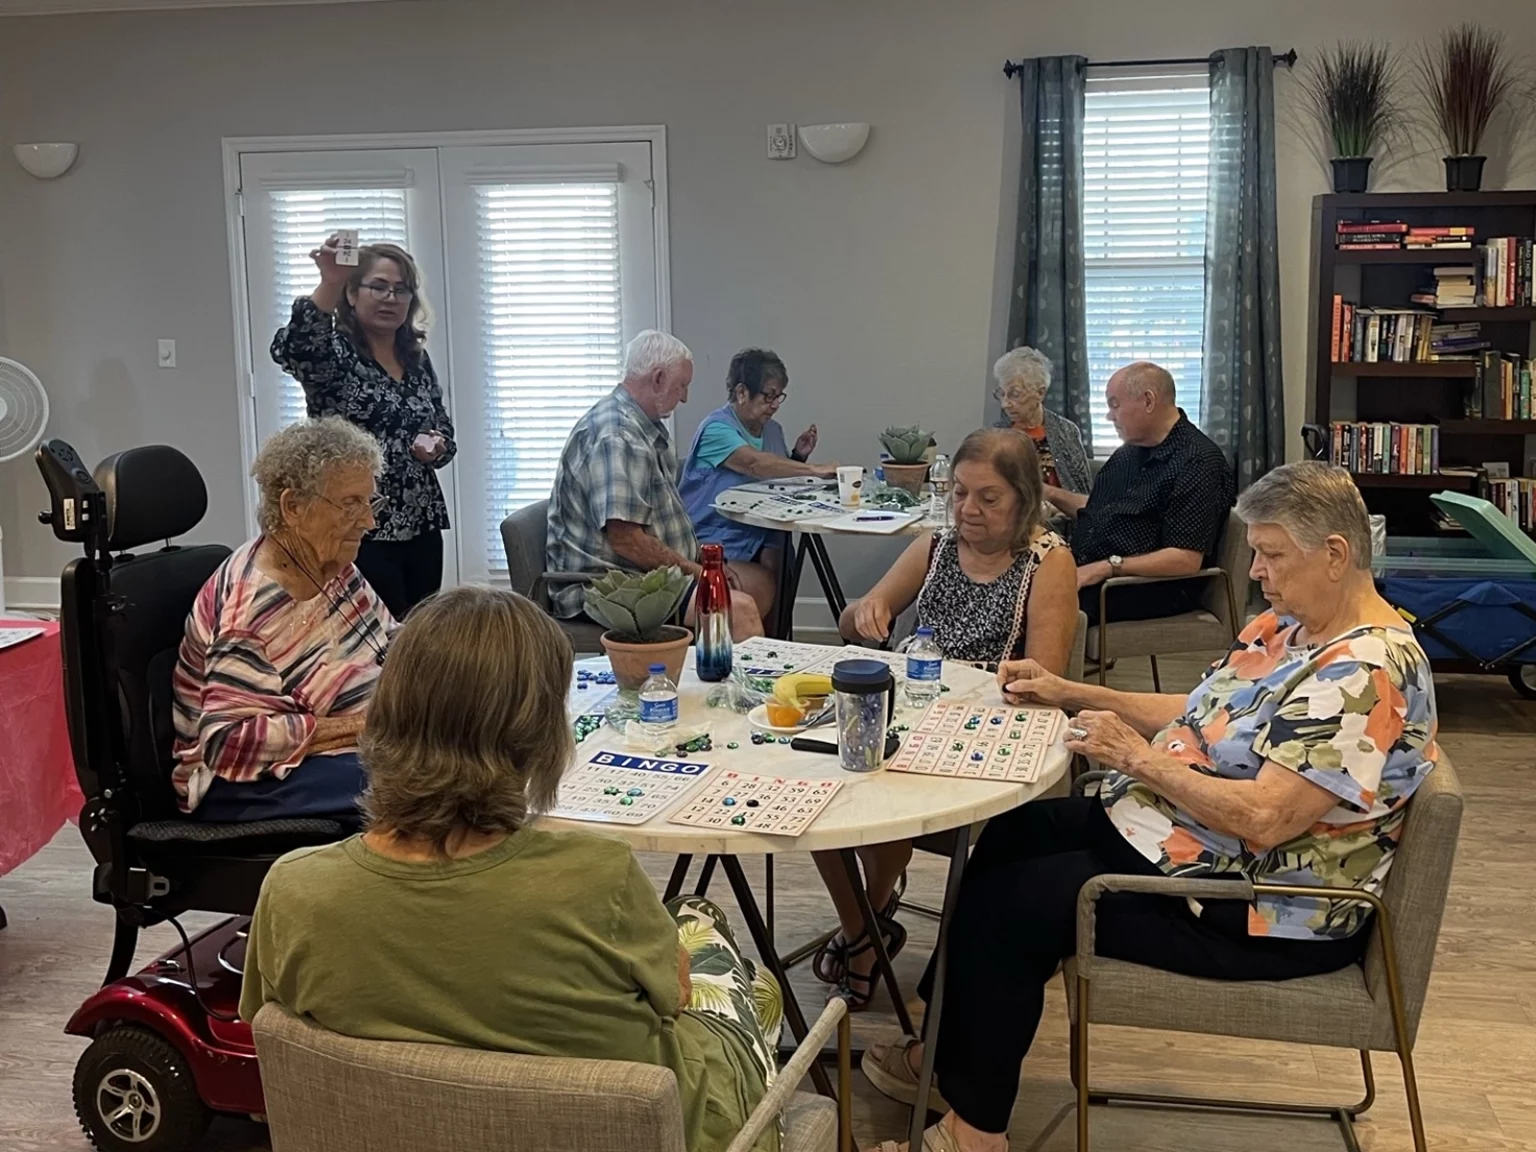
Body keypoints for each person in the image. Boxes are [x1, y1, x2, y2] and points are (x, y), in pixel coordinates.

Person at [860, 461, 1439, 1152]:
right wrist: (1070, 691)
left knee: (1012, 906)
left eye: (1271, 554)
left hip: (1258, 906)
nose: (1256, 570)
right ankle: (947, 1058)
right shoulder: (1297, 629)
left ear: (1336, 555)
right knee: (1009, 835)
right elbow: (1200, 714)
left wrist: (1135, 757)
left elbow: (1263, 818)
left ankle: (974, 1131)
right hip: (1192, 846)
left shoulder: (1362, 676)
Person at [240, 586, 785, 1152]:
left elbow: (272, 1041)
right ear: (540, 739)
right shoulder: (598, 879)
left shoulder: (292, 891)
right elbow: (673, 997)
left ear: (386, 716)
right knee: (713, 935)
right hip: (663, 1131)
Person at [821, 429, 1078, 1009]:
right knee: (821, 798)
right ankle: (865, 927)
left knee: (883, 804)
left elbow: (1044, 678)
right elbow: (848, 622)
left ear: (1024, 499)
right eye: (960, 493)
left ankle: (866, 929)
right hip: (912, 710)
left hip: (989, 727)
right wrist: (868, 611)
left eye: (989, 498)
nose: (968, 509)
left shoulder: (1049, 561)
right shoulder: (934, 546)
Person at [172, 418, 392, 823]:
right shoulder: (252, 608)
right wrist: (367, 725)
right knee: (423, 782)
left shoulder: (331, 564)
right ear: (293, 507)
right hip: (246, 783)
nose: (369, 522)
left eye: (369, 502)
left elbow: (387, 642)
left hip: (335, 752)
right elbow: (227, 742)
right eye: (350, 504)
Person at [272, 235, 456, 620]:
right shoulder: (335, 355)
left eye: (401, 289)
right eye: (379, 286)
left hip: (420, 522)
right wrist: (330, 281)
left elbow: (443, 429)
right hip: (356, 525)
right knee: (371, 639)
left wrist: (437, 445)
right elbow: (296, 347)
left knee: (418, 636)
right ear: (353, 294)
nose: (391, 298)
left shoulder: (416, 360)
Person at [547, 330, 765, 640]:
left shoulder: (640, 426)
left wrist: (704, 561)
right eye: (682, 386)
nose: (685, 397)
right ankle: (735, 688)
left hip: (641, 576)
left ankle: (711, 679)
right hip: (609, 586)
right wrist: (700, 573)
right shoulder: (618, 435)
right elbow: (626, 540)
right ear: (658, 378)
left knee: (752, 589)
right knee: (739, 611)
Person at [1045, 361, 1234, 625]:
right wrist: (1047, 493)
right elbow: (1102, 510)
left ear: (1148, 401)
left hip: (1144, 586)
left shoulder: (1198, 462)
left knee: (1037, 603)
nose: (1110, 416)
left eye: (1115, 405)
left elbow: (1185, 558)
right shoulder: (1131, 451)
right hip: (1096, 572)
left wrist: (1105, 567)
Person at [679, 349, 837, 621]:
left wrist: (797, 457)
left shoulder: (773, 430)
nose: (775, 404)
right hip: (717, 538)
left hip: (762, 535)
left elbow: (773, 475)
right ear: (742, 392)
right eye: (769, 395)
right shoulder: (715, 429)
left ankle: (775, 642)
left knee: (781, 555)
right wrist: (814, 469)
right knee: (770, 576)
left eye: (779, 396)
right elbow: (753, 464)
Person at [990, 347, 1091, 495]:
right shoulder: (996, 434)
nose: (1005, 403)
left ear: (1040, 393)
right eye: (1002, 394)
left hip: (1059, 515)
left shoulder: (1066, 431)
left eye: (1015, 394)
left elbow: (1083, 495)